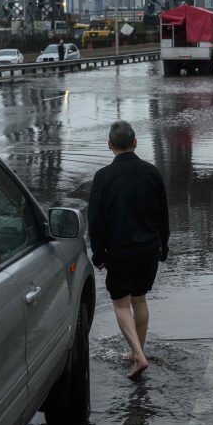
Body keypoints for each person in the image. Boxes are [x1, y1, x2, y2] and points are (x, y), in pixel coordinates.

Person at [87, 120, 170, 380]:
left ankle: (138, 355)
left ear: (110, 145)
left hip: (119, 252)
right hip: (148, 248)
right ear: (135, 143)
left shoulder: (102, 178)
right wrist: (163, 245)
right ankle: (138, 351)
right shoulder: (152, 172)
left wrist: (98, 254)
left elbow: (95, 221)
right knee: (140, 299)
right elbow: (163, 215)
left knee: (121, 304)